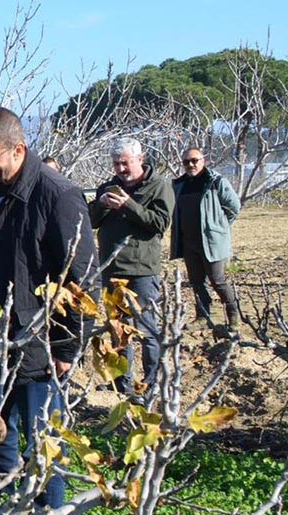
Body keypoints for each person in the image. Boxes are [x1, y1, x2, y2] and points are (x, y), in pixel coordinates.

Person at [0, 107, 96, 510]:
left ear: (18, 150)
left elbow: (83, 280)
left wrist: (68, 350)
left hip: (39, 343)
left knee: (43, 441)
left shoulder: (58, 195)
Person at [89, 137, 173, 399]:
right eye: (116, 164)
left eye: (125, 163)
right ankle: (121, 382)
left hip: (142, 271)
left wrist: (128, 205)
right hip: (111, 270)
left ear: (140, 159)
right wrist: (101, 203)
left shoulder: (158, 187)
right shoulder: (109, 187)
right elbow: (90, 221)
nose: (121, 169)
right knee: (118, 330)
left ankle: (151, 386)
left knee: (147, 331)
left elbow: (159, 223)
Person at [170, 148, 241, 331]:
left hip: (212, 242)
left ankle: (234, 316)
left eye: (194, 160)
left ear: (204, 160)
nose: (190, 165)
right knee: (197, 281)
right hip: (188, 242)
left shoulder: (216, 182)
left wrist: (218, 228)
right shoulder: (179, 185)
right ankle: (203, 317)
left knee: (218, 280)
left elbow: (234, 207)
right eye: (186, 162)